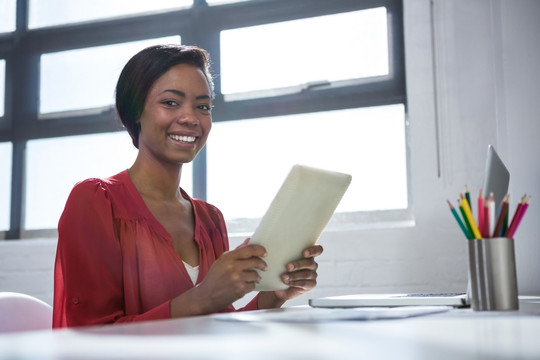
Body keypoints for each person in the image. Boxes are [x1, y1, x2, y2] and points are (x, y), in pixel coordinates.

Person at [52, 44, 323, 328]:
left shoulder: (211, 219)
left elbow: (215, 324)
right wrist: (203, 296)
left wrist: (273, 296)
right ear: (135, 111)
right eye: (170, 102)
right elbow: (89, 336)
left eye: (203, 106)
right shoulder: (96, 200)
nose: (191, 118)